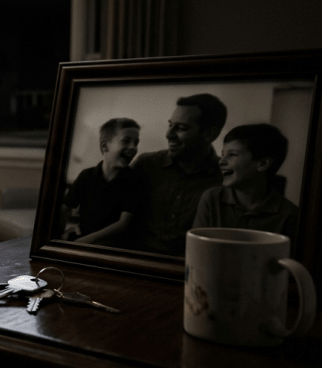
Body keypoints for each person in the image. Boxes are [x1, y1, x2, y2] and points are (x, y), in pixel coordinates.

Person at [129, 93, 227, 256]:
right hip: (135, 260)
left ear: (210, 134)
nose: (169, 134)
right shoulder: (145, 164)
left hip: (189, 268)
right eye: (170, 125)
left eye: (181, 128)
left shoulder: (225, 178)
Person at [193, 124, 299, 238]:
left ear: (263, 164)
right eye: (223, 154)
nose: (221, 161)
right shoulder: (211, 199)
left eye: (232, 154)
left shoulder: (289, 215)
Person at [62, 118, 142, 246]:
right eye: (126, 141)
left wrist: (86, 241)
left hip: (111, 246)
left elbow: (123, 224)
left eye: (136, 143)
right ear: (105, 146)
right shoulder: (86, 176)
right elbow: (64, 208)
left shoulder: (134, 180)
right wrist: (62, 232)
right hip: (81, 239)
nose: (133, 147)